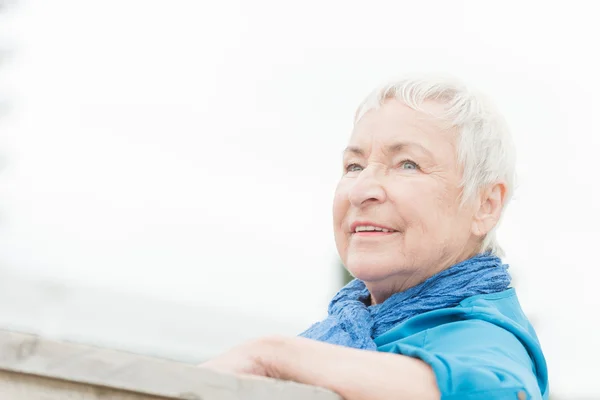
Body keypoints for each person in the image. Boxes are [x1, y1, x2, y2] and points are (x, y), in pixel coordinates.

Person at [202, 75, 549, 400]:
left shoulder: (484, 335)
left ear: (485, 205)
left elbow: (499, 391)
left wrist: (270, 357)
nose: (362, 190)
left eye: (407, 164)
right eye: (354, 166)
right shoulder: (348, 329)